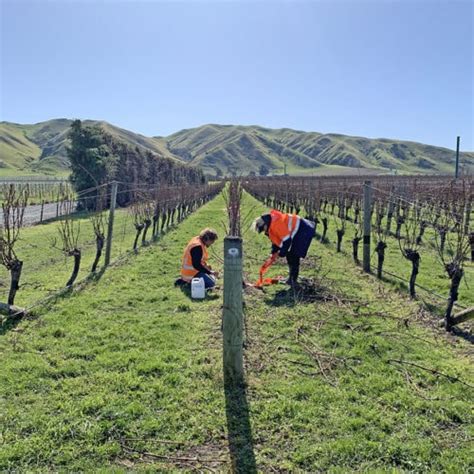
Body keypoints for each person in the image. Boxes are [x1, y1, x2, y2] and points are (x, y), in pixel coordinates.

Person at [254, 209, 315, 286]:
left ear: (265, 224)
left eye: (263, 229)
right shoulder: (272, 225)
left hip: (303, 230)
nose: (264, 231)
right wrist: (274, 252)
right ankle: (291, 278)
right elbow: (277, 240)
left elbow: (286, 240)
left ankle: (293, 280)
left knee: (294, 255)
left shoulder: (276, 224)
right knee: (289, 255)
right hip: (297, 231)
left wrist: (282, 253)